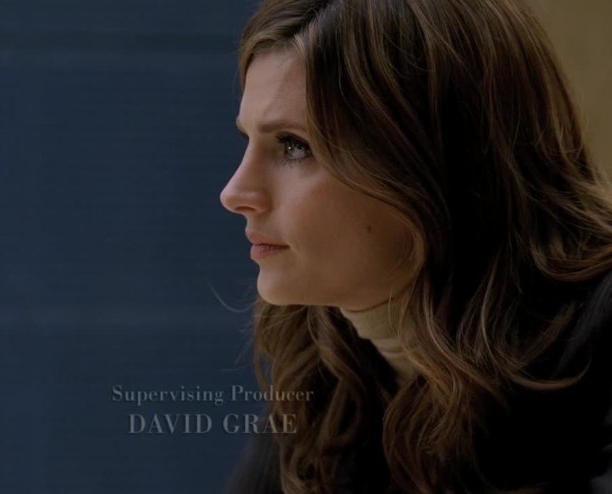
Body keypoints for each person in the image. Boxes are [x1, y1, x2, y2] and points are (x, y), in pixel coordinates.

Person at [218, 0, 612, 492]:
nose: (234, 193)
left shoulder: (599, 335)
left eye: (294, 146)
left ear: (434, 159)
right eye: (247, 141)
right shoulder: (324, 355)